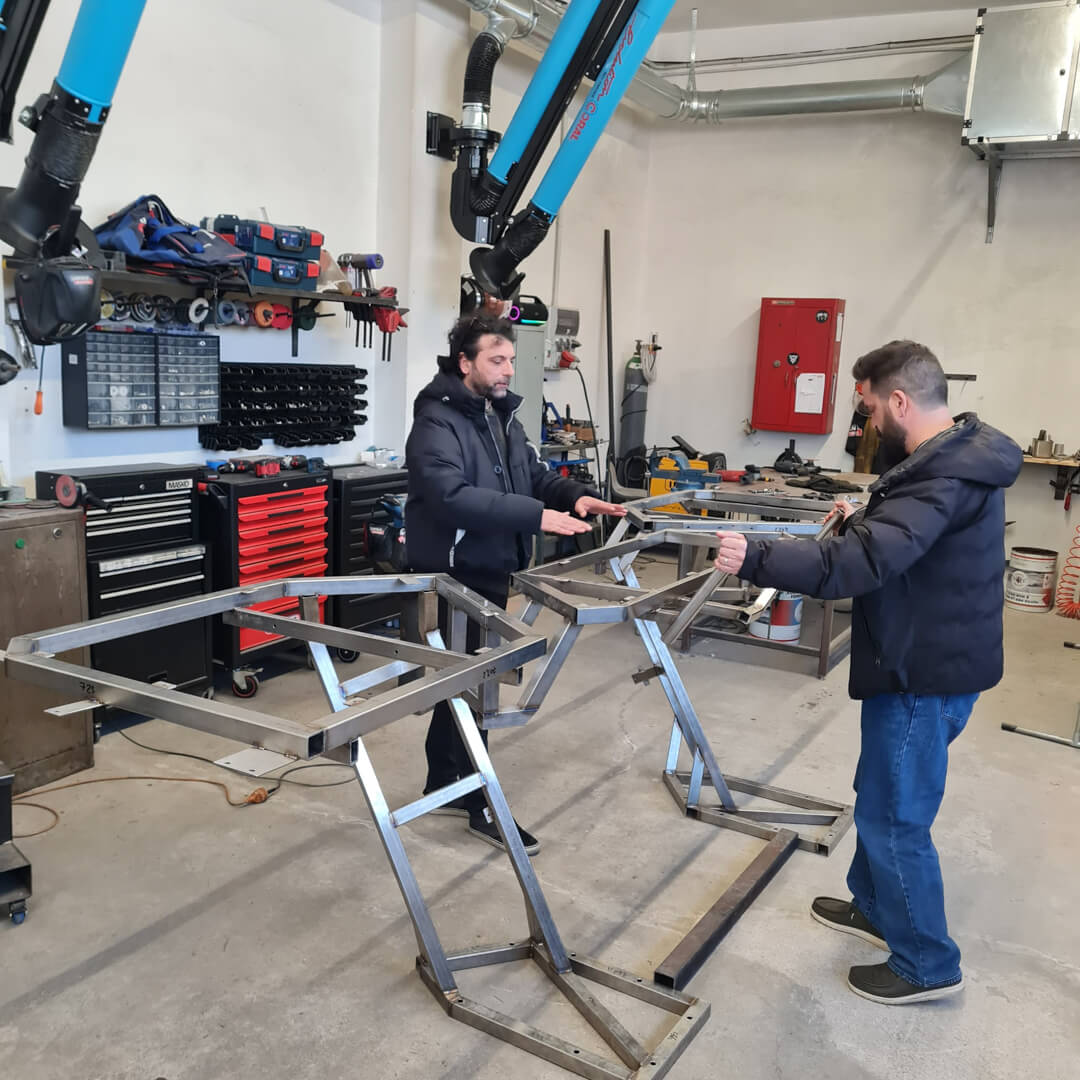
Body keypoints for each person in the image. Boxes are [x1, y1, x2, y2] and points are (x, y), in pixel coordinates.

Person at [713, 340, 1022, 1005]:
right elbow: (908, 540)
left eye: (871, 408)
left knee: (894, 817)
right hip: (928, 656)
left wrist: (757, 557)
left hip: (922, 672)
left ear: (900, 401)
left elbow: (861, 565)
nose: (868, 423)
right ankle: (878, 908)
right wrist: (866, 517)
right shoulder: (951, 456)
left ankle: (926, 964)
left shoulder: (942, 476)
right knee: (878, 791)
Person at [405, 313, 626, 855]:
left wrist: (574, 496)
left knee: (462, 678)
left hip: (492, 564)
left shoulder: (501, 416)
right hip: (455, 571)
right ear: (465, 363)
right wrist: (536, 516)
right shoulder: (436, 422)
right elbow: (450, 496)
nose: (507, 370)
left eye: (509, 360)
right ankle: (480, 801)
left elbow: (532, 474)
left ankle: (444, 780)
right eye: (496, 360)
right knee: (477, 683)